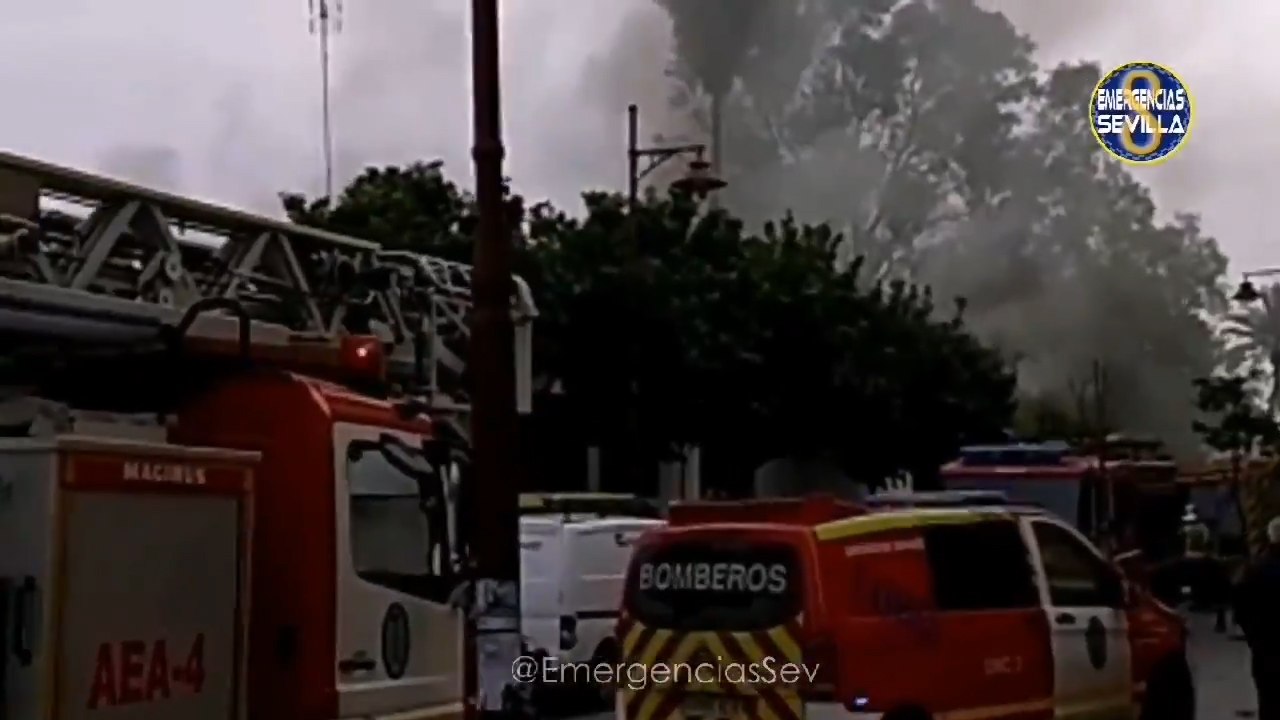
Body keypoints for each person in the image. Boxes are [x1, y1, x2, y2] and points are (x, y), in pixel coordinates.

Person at [1233, 516, 1280, 720]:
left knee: (1269, 699)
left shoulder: (1254, 569)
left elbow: (1240, 606)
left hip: (1265, 646)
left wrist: (1253, 636)